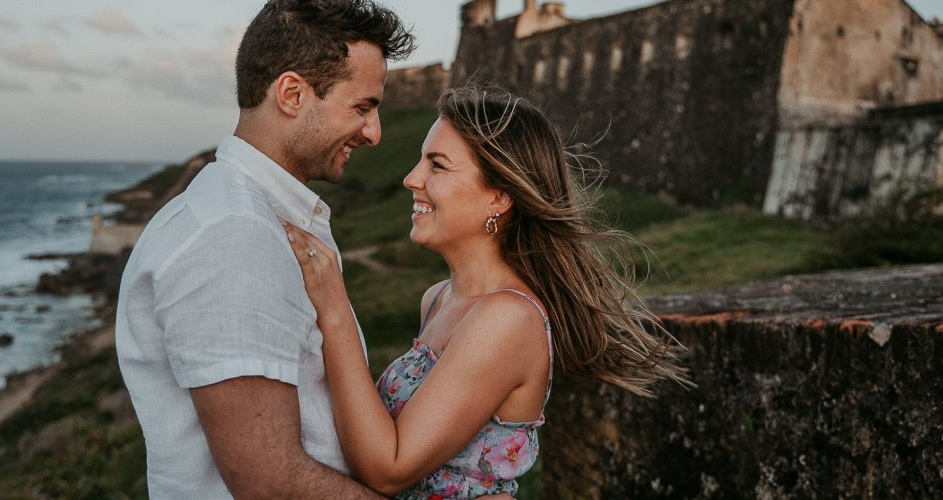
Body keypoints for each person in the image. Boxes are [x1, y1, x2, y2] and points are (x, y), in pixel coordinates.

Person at [283, 85, 690, 498]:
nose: (412, 178)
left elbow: (390, 467)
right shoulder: (439, 298)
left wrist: (333, 308)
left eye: (437, 165)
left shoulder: (508, 318)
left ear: (498, 197)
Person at [114, 1, 414, 497]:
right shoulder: (234, 234)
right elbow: (271, 482)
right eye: (362, 108)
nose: (374, 133)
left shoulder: (246, 216)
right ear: (292, 93)